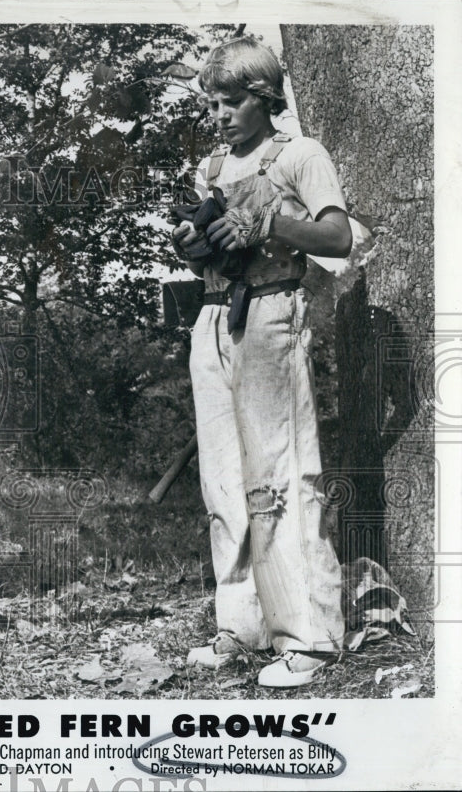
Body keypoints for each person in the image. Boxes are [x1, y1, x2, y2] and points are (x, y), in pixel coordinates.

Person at [170, 37, 352, 687]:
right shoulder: (213, 167)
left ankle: (310, 635)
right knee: (223, 481)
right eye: (213, 103)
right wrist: (194, 242)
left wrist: (273, 221)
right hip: (215, 317)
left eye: (234, 102)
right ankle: (240, 626)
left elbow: (336, 235)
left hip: (274, 313)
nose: (221, 115)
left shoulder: (300, 155)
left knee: (280, 474)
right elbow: (207, 248)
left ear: (266, 97)